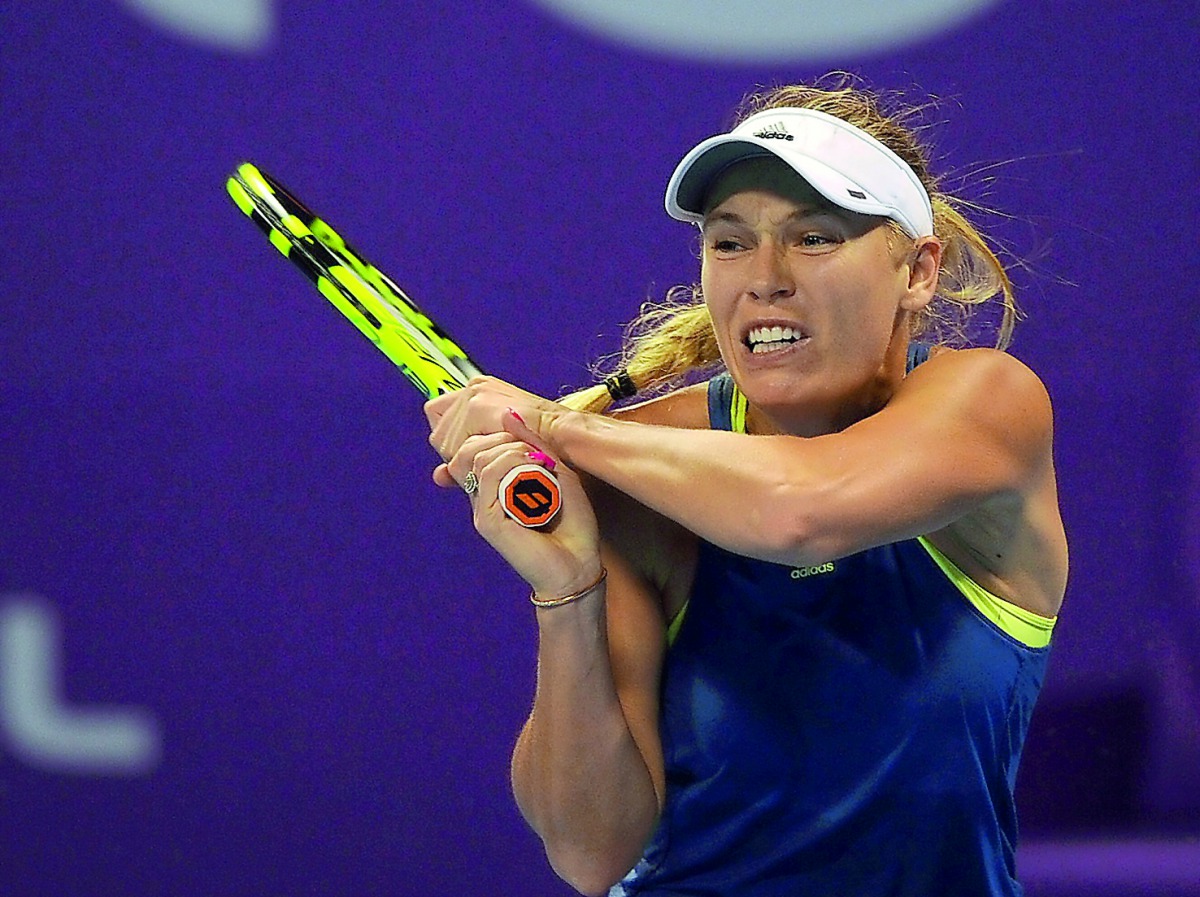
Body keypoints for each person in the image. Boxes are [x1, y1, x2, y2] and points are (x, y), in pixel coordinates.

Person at [425, 76, 1068, 897]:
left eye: (815, 237)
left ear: (918, 270)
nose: (763, 277)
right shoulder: (640, 467)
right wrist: (569, 590)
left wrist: (557, 427)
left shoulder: (991, 405)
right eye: (729, 243)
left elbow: (801, 508)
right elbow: (590, 852)